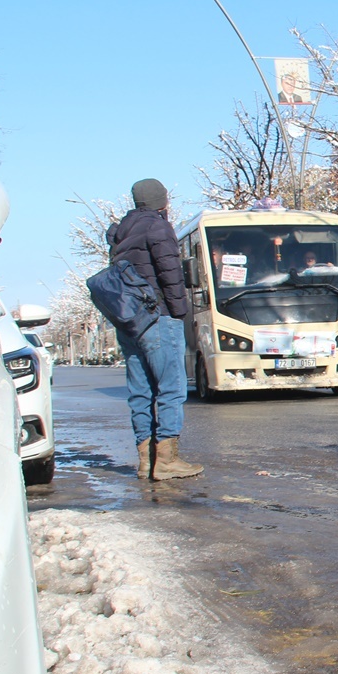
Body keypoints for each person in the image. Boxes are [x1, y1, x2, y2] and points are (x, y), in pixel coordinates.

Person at [108, 178, 204, 481]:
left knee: (140, 391)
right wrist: (179, 313)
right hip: (157, 316)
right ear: (161, 201)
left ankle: (145, 460)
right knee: (171, 388)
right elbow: (170, 274)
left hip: (129, 322)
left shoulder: (120, 233)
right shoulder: (158, 227)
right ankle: (167, 461)